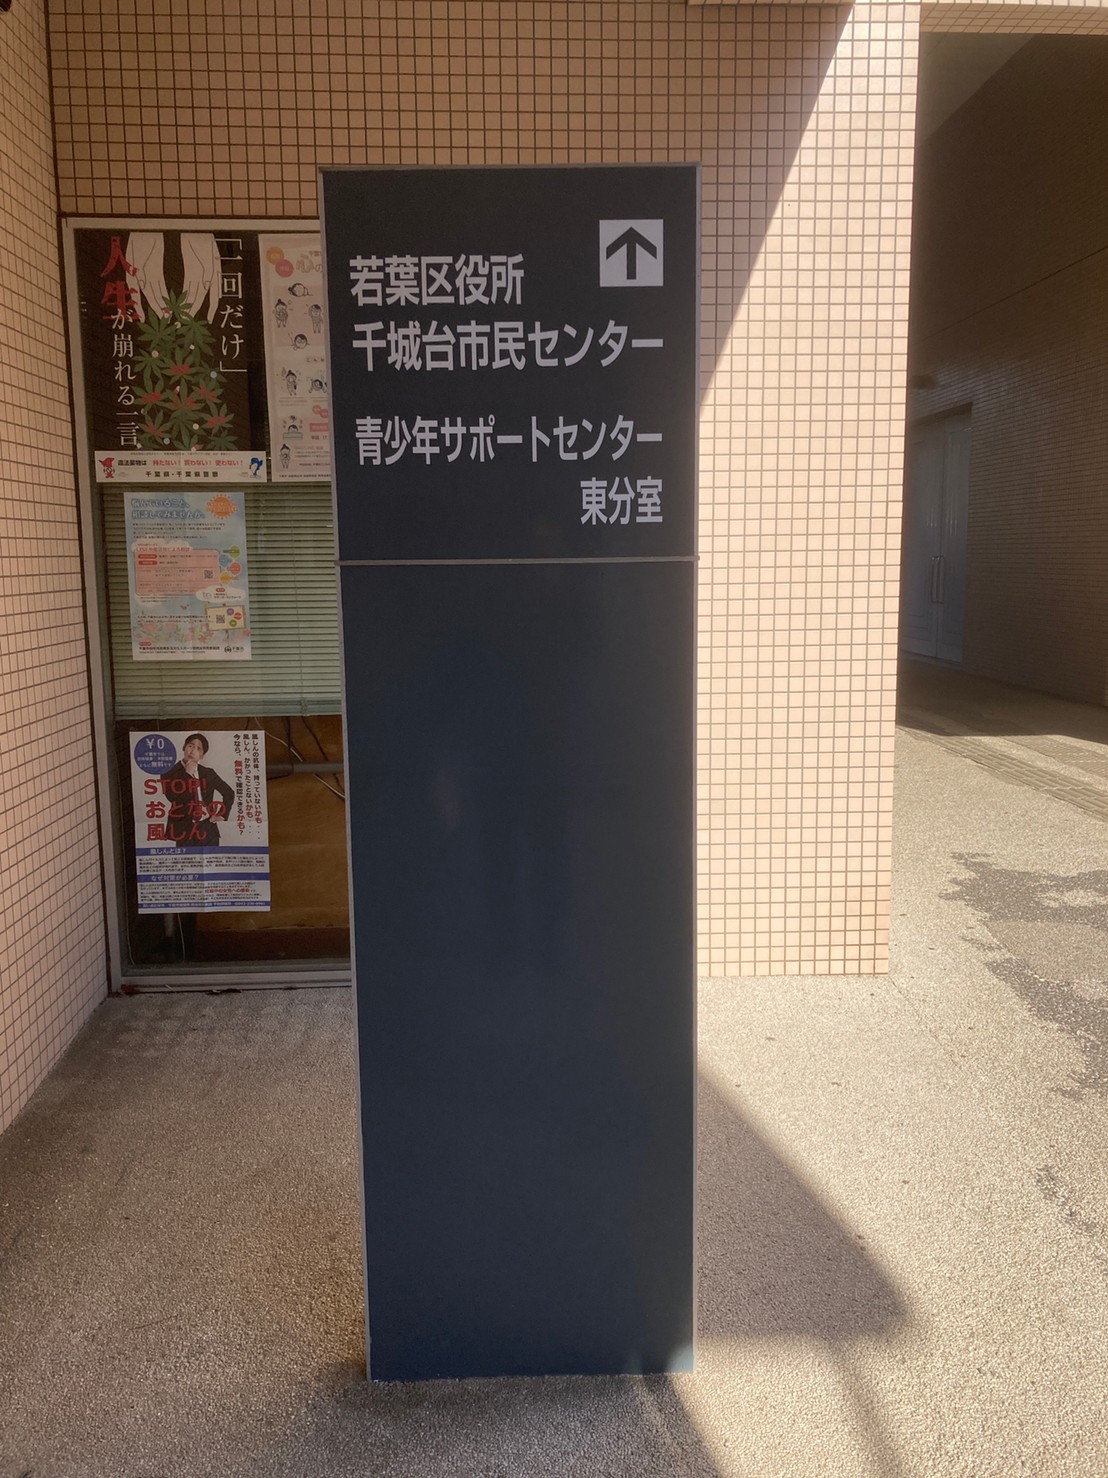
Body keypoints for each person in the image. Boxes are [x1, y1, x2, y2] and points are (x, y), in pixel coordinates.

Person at [160, 733, 236, 847]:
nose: (193, 751)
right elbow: (172, 797)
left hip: (207, 827)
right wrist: (187, 775)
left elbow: (229, 792)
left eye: (198, 749)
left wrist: (222, 814)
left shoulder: (208, 773)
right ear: (184, 747)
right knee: (186, 858)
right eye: (190, 746)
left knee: (212, 858)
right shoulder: (169, 771)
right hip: (184, 829)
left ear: (202, 755)